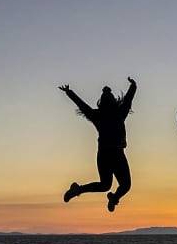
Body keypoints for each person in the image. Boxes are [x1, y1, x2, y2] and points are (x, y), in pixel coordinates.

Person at [59, 77, 137, 212]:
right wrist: (133, 85)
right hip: (115, 155)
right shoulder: (118, 113)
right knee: (124, 185)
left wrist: (69, 92)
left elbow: (82, 106)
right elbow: (128, 99)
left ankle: (81, 190)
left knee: (106, 185)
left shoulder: (99, 115)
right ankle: (112, 197)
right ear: (112, 102)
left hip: (106, 155)